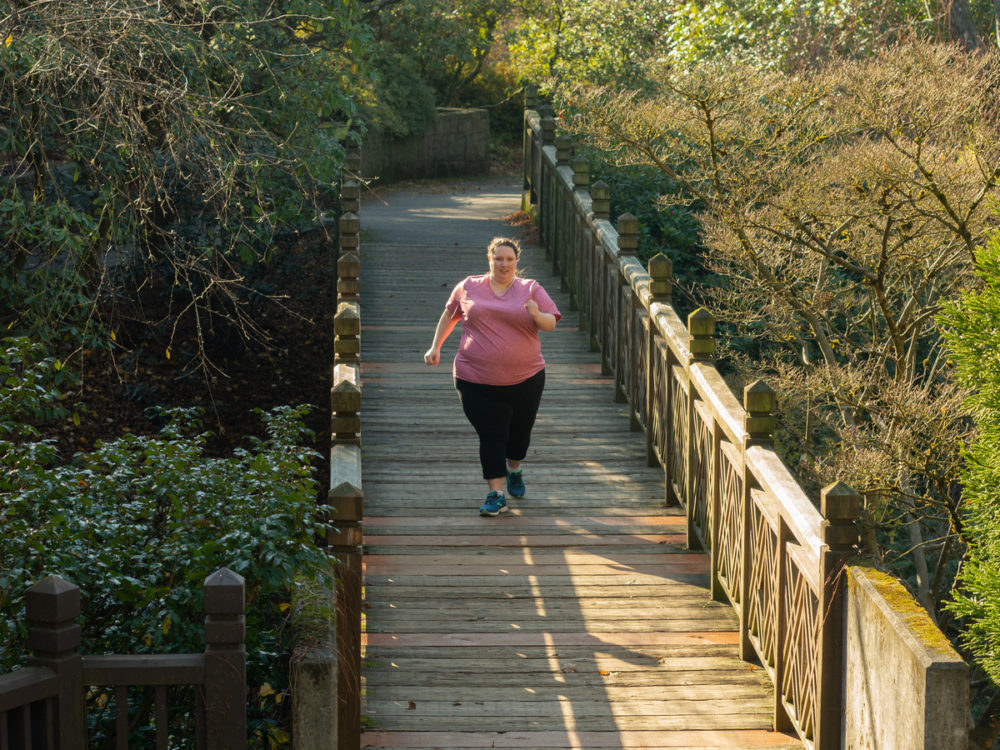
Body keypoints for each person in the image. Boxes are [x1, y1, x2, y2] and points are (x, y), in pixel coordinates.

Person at [424, 237, 561, 516]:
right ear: (489, 259)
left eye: (509, 259)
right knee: (492, 434)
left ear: (516, 262)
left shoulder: (530, 289)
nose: (504, 264)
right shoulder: (469, 286)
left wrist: (536, 313)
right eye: (498, 258)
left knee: (519, 435)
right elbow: (450, 315)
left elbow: (550, 324)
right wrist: (435, 346)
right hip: (474, 378)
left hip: (526, 378)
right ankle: (496, 494)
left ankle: (515, 469)